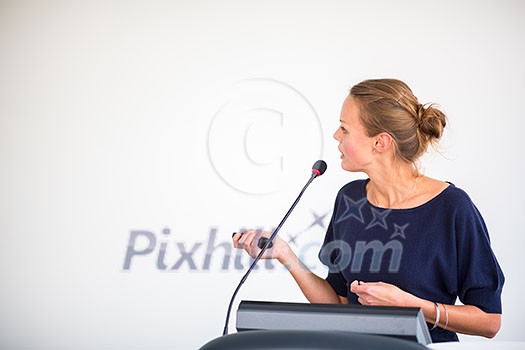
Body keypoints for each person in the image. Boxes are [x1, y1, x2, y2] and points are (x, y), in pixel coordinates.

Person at [232, 78, 504, 343]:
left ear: (380, 143)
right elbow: (338, 303)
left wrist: (411, 305)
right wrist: (284, 254)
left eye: (345, 129)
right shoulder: (350, 198)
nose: (336, 135)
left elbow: (489, 321)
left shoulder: (452, 207)